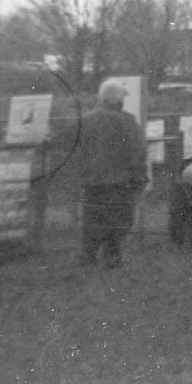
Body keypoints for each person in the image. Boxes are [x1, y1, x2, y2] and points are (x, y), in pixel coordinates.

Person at [75, 79, 148, 269]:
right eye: (123, 97)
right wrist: (140, 178)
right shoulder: (128, 121)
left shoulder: (87, 119)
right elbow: (137, 152)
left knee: (92, 219)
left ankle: (87, 254)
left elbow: (77, 150)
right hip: (120, 182)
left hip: (92, 181)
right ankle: (112, 256)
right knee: (119, 220)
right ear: (117, 99)